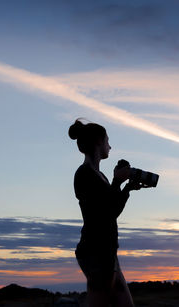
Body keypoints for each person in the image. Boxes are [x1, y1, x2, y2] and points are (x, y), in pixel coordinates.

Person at [68, 119, 141, 307]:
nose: (110, 146)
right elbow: (105, 213)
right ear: (99, 142)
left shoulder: (99, 175)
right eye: (108, 141)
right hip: (95, 252)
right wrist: (117, 183)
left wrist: (127, 188)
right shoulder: (84, 174)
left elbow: (112, 209)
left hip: (107, 251)